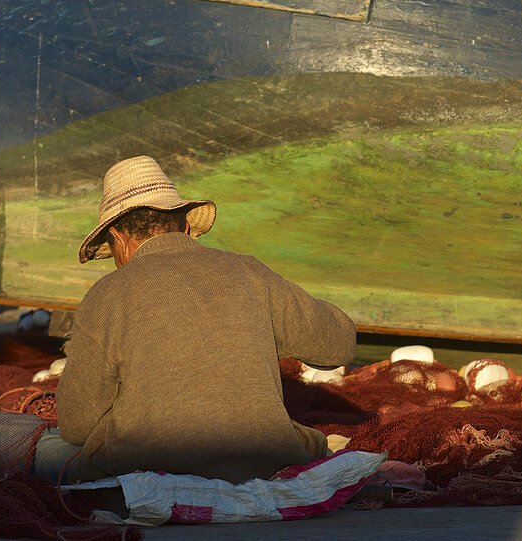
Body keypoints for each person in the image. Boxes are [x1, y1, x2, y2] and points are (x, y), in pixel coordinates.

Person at [32, 155, 357, 484]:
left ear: (117, 238)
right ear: (186, 226)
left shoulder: (106, 294)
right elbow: (339, 345)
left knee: (21, 439)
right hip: (264, 462)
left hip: (147, 470)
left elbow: (76, 426)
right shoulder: (252, 273)